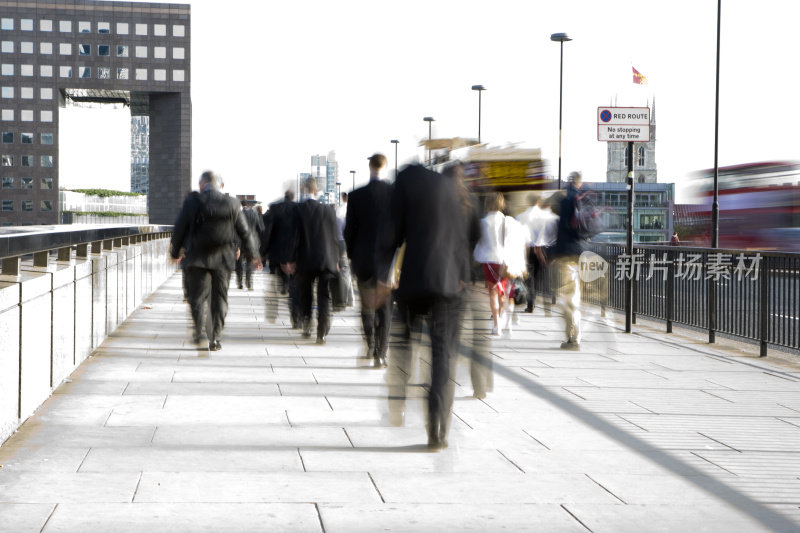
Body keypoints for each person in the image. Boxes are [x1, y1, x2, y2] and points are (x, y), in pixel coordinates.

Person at [377, 163, 470, 451]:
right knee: (443, 356)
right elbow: (459, 238)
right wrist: (464, 276)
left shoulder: (403, 183)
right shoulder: (448, 190)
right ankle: (437, 428)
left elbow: (390, 234)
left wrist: (382, 277)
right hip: (448, 284)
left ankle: (396, 402)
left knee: (403, 344)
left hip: (414, 281)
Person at [170, 171, 259, 351]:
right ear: (220, 186)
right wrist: (253, 254)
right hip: (223, 260)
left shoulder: (192, 202)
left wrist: (174, 252)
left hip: (197, 259)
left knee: (197, 298)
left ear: (202, 184)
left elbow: (179, 229)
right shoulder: (232, 203)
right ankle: (215, 338)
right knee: (220, 299)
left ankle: (198, 331)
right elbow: (245, 232)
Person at [345, 153, 394, 367]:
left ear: (370, 167)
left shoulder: (356, 196)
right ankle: (381, 353)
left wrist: (350, 254)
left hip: (363, 258)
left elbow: (350, 231)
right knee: (385, 308)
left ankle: (370, 344)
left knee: (367, 306)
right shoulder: (394, 194)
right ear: (386, 166)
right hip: (387, 261)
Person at [284, 177, 340, 344]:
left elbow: (293, 237)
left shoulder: (297, 210)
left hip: (305, 259)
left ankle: (307, 322)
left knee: (306, 293)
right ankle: (321, 331)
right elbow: (334, 238)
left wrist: (290, 259)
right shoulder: (329, 210)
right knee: (324, 295)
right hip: (325, 260)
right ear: (316, 191)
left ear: (303, 189)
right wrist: (336, 260)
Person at [549, 171, 589, 350]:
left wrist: (555, 254)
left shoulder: (565, 200)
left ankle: (573, 338)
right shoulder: (582, 200)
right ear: (580, 183)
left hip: (567, 255)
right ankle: (575, 335)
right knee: (574, 296)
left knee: (568, 298)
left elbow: (562, 230)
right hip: (580, 254)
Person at [472, 192, 512, 336]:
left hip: (488, 260)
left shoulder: (483, 222)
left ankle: (496, 325)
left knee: (493, 294)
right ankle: (500, 318)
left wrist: (475, 257)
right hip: (504, 260)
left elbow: (480, 243)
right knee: (502, 294)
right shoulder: (507, 221)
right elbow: (509, 242)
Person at [261, 190, 299, 326]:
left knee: (279, 278)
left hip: (277, 254)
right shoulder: (299, 209)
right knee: (295, 287)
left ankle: (283, 286)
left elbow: (268, 233)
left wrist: (262, 253)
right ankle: (296, 317)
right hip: (294, 254)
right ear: (293, 197)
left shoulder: (275, 209)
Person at [516, 193, 559, 313]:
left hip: (527, 248)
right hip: (543, 248)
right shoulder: (546, 216)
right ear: (538, 202)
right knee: (539, 275)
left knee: (529, 276)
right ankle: (544, 298)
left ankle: (531, 303)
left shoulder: (521, 216)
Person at [235, 201, 265, 290]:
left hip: (240, 240)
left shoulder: (239, 214)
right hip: (252, 240)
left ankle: (239, 282)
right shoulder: (255, 214)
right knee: (250, 261)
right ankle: (249, 282)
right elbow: (261, 228)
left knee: (239, 262)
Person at [335, 191, 355, 309]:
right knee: (346, 271)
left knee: (343, 271)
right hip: (348, 242)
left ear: (342, 198)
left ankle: (347, 298)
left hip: (340, 242)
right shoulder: (351, 210)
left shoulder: (339, 210)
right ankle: (350, 298)